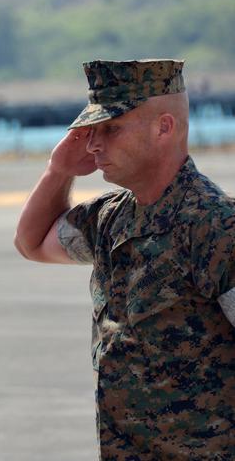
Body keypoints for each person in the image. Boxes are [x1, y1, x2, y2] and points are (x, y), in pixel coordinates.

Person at [14, 60, 235, 458]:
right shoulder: (111, 218)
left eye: (111, 128)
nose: (94, 144)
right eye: (91, 131)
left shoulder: (214, 226)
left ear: (163, 128)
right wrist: (58, 170)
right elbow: (32, 243)